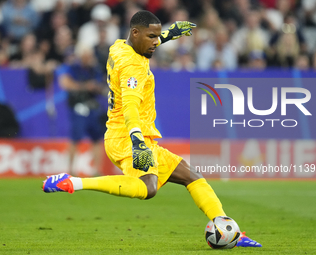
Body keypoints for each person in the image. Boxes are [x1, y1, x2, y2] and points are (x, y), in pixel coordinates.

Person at [43, 10, 261, 248]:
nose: (156, 42)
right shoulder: (132, 67)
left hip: (137, 135)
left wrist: (169, 34)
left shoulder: (119, 47)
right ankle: (73, 182)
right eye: (151, 37)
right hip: (128, 136)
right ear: (135, 33)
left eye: (157, 36)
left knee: (191, 176)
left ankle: (229, 230)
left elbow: (144, 43)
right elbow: (130, 107)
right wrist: (136, 139)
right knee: (148, 189)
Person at [57, 43, 106, 175]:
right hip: (78, 106)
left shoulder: (94, 69)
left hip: (93, 106)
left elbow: (101, 86)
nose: (88, 58)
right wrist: (86, 86)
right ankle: (71, 169)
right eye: (86, 56)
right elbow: (65, 83)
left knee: (97, 138)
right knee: (75, 138)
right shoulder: (72, 68)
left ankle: (96, 170)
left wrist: (96, 87)